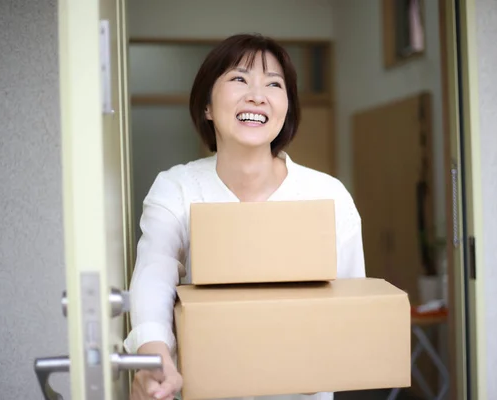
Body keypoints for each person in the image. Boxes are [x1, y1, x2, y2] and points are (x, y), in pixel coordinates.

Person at [124, 33, 366, 400]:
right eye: (239, 79)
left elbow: (352, 308)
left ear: (286, 107)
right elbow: (152, 278)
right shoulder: (176, 188)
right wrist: (154, 360)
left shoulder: (328, 196)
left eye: (274, 83)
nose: (257, 94)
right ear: (206, 105)